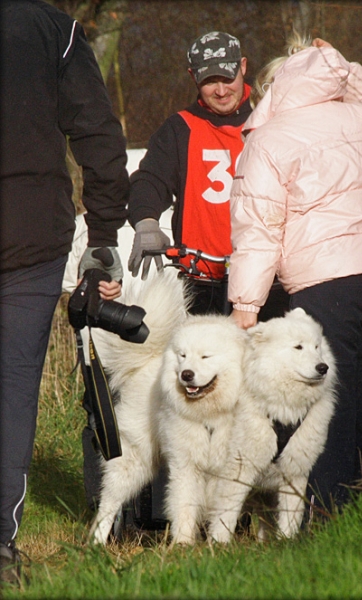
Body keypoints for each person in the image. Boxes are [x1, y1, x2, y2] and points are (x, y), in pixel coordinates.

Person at [228, 34, 362, 513]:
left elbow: (259, 230)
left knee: (329, 407)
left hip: (329, 287)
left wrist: (245, 305)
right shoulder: (358, 118)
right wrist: (345, 65)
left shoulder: (268, 139)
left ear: (270, 89)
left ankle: (329, 516)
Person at [0, 0, 129, 585]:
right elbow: (100, 138)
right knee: (13, 390)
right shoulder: (55, 28)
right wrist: (101, 238)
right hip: (29, 238)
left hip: (29, 242)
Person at [127, 30, 290, 319]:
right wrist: (146, 221)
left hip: (270, 279)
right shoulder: (180, 129)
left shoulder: (274, 116)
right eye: (209, 81)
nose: (221, 90)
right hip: (202, 281)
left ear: (243, 67)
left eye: (227, 78)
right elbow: (150, 179)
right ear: (193, 77)